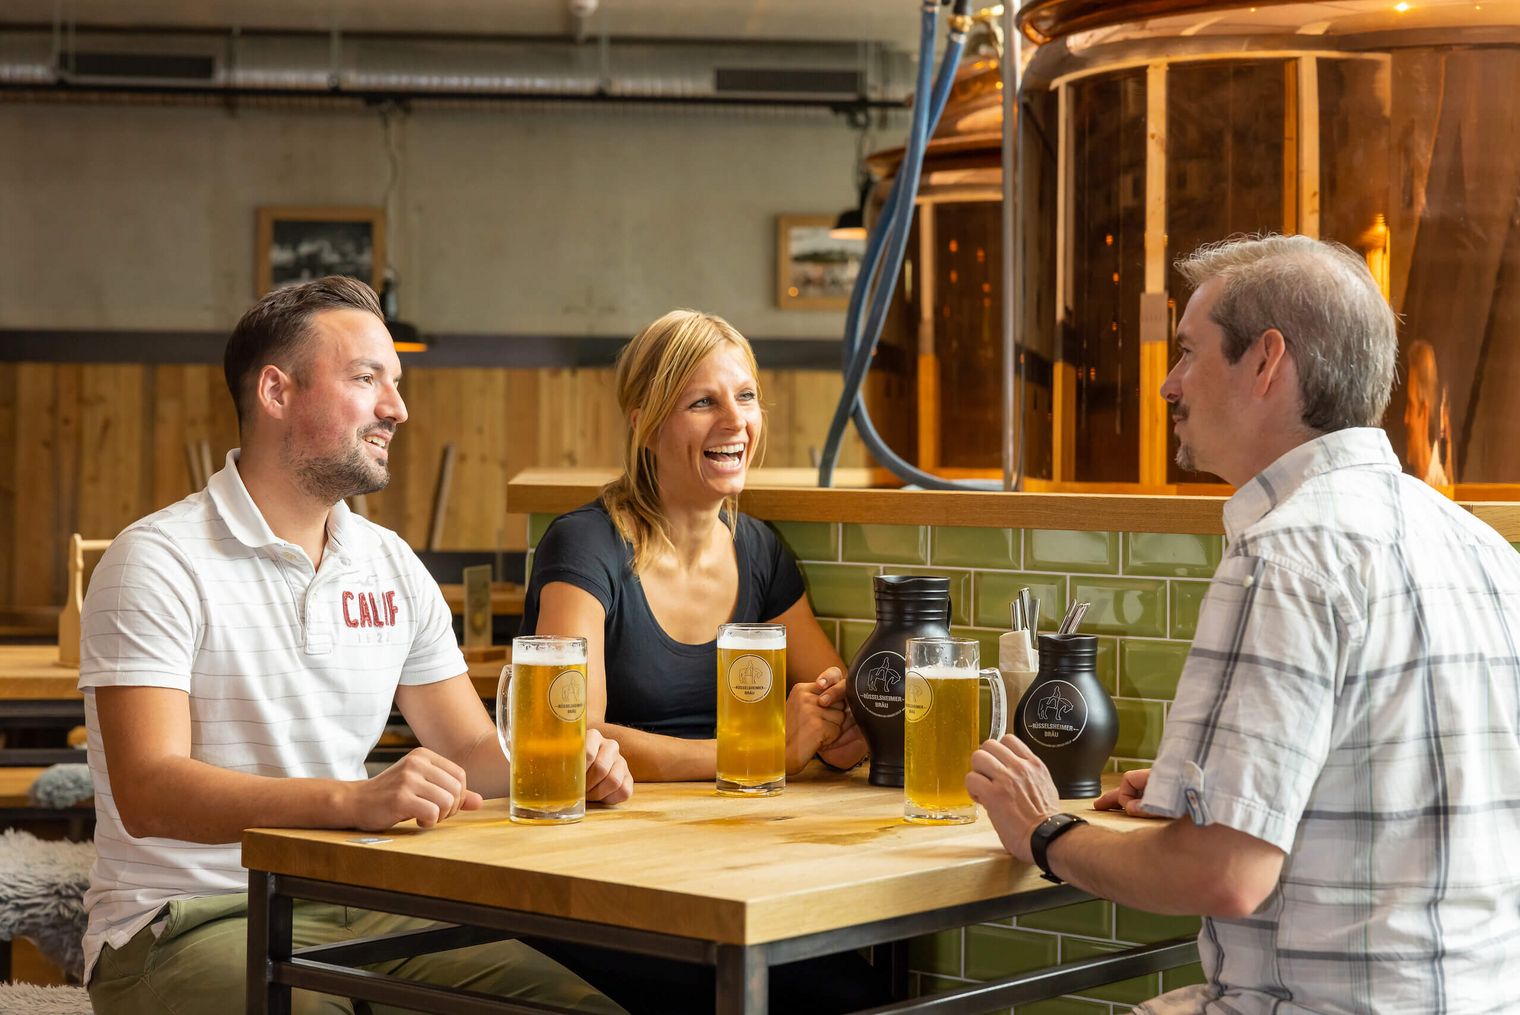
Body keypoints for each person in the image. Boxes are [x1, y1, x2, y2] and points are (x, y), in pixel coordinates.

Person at [966, 235, 1520, 1013]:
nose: (1169, 383)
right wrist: (1217, 793)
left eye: (1189, 351)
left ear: (1266, 361)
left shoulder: (1283, 553)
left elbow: (1224, 874)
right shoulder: (1486, 551)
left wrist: (1043, 831)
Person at [78, 277, 633, 1015]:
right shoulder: (155, 559)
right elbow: (149, 791)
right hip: (186, 920)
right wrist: (355, 800)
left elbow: (470, 748)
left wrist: (559, 766)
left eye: (395, 383)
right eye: (367, 378)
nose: (397, 408)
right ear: (276, 392)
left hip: (364, 901)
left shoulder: (390, 562)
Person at [521, 308, 866, 780]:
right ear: (646, 427)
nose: (735, 420)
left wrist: (836, 729)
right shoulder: (584, 546)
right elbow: (574, 734)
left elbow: (837, 705)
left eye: (746, 396)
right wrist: (760, 753)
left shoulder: (760, 550)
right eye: (703, 402)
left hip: (744, 814)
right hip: (619, 817)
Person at [1403, 338, 1454, 487]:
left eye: (1411, 406)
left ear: (1424, 415)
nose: (1405, 419)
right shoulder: (1417, 484)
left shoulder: (1439, 489)